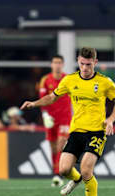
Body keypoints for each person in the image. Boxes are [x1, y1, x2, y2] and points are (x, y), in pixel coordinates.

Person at [21, 47, 115, 196]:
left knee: (86, 170)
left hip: (96, 132)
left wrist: (110, 119)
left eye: (88, 64)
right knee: (63, 169)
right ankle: (76, 180)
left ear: (95, 63)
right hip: (76, 131)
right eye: (82, 63)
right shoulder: (70, 80)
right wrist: (34, 104)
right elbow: (51, 97)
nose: (85, 68)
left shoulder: (104, 82)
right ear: (78, 60)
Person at [38, 54, 72, 187]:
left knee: (61, 144)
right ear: (51, 65)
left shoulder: (68, 79)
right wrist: (45, 115)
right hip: (50, 119)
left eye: (59, 62)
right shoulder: (45, 80)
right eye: (55, 62)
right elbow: (42, 98)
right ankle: (55, 171)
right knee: (52, 147)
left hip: (65, 118)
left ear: (62, 64)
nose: (57, 65)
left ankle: (58, 174)